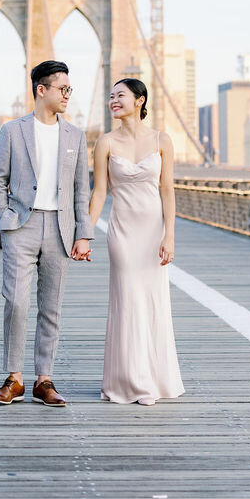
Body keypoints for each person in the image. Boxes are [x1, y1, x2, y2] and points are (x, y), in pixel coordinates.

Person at [0, 60, 94, 407]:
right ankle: (13, 378)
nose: (67, 95)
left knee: (52, 306)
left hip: (61, 229)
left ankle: (43, 379)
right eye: (62, 89)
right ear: (41, 90)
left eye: (69, 89)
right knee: (15, 301)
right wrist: (3, 216)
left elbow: (81, 190)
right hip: (21, 225)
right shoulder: (12, 131)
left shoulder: (76, 136)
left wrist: (84, 233)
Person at [88, 77, 185, 405]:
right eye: (111, 96)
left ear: (140, 101)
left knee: (152, 301)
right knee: (128, 301)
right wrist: (85, 233)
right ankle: (130, 382)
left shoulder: (162, 140)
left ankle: (153, 379)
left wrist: (169, 235)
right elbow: (99, 191)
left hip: (153, 231)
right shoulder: (105, 143)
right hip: (123, 232)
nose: (113, 100)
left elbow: (167, 189)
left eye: (120, 96)